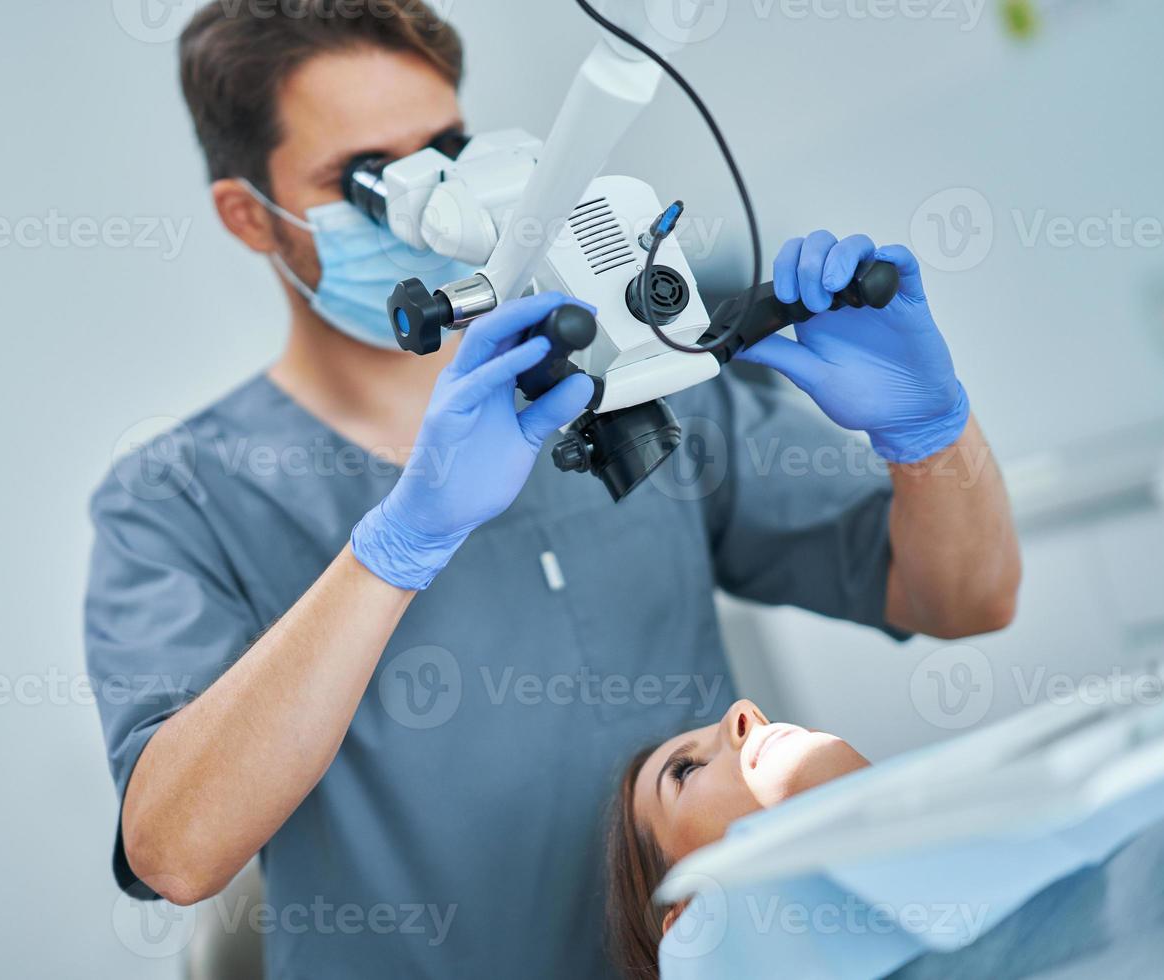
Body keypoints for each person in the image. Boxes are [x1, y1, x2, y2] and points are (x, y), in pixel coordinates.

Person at [83, 2, 1021, 976]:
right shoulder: (177, 496)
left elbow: (964, 598)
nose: (427, 202)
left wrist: (930, 433)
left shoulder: (618, 361)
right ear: (250, 214)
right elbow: (176, 851)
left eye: (444, 150)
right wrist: (398, 544)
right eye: (364, 181)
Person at [605, 701, 1164, 979]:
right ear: (687, 916)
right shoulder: (706, 952)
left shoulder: (1010, 799)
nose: (745, 713)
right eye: (684, 773)